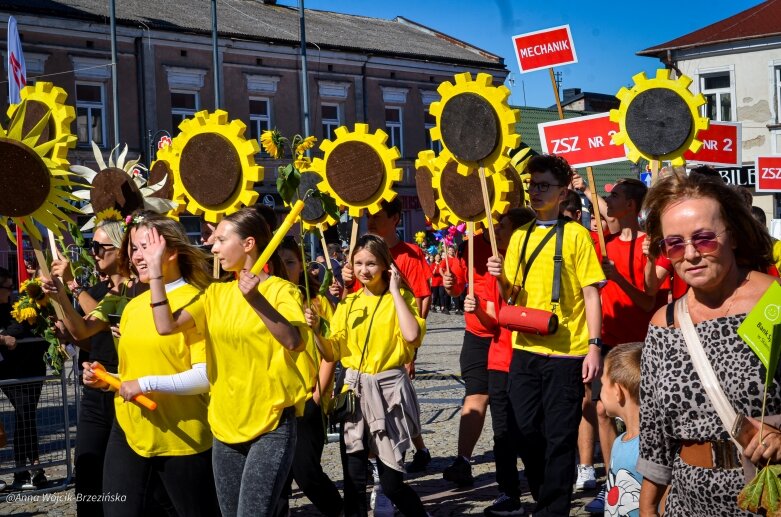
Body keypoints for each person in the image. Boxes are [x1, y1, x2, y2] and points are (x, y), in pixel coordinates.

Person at [148, 207, 308, 516]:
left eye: (221, 239)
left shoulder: (280, 290)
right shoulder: (215, 295)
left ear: (248, 244)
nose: (213, 246)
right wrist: (156, 269)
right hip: (224, 426)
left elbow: (293, 340)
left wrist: (256, 300)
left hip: (271, 424)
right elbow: (165, 324)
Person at [638, 172, 781, 515]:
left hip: (766, 496)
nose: (690, 254)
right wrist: (646, 509)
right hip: (689, 501)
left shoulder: (774, 304)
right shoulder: (663, 323)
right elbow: (654, 437)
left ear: (732, 235)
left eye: (703, 239)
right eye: (674, 243)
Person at [77, 212, 219, 516]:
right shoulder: (133, 307)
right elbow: (133, 373)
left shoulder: (200, 301)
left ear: (172, 251)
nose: (137, 256)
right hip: (128, 430)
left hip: (182, 437)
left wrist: (147, 384)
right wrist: (106, 378)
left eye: (146, 248)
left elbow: (205, 377)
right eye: (134, 249)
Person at [488, 154, 605, 516]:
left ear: (562, 190)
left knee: (560, 433)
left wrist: (594, 347)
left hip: (567, 350)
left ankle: (553, 508)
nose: (535, 192)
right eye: (532, 185)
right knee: (524, 430)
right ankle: (543, 492)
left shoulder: (577, 235)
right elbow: (511, 295)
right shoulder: (520, 235)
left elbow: (591, 293)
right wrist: (498, 275)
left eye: (543, 186)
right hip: (524, 345)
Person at [306, 234, 428, 517]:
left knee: (392, 482)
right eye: (358, 263)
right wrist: (315, 330)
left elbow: (412, 336)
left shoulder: (401, 298)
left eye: (371, 263)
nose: (364, 270)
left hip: (389, 391)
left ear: (386, 265)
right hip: (355, 390)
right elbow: (334, 350)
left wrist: (396, 291)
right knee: (354, 477)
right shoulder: (349, 303)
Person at [44, 218, 140, 516]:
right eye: (91, 246)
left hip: (125, 388)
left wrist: (71, 286)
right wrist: (60, 298)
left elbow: (107, 319)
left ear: (121, 250)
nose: (95, 252)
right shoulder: (99, 291)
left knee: (120, 481)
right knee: (87, 473)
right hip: (95, 391)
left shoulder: (136, 291)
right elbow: (87, 335)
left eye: (101, 246)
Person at [440, 209, 531, 489]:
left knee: (519, 405)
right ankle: (463, 461)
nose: (493, 222)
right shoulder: (471, 243)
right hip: (479, 334)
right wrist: (451, 285)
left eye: (502, 220)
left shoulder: (525, 251)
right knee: (476, 394)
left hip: (513, 336)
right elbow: (457, 288)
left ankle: (532, 463)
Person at [588, 179, 663, 513]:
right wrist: (585, 190)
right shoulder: (602, 243)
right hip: (607, 340)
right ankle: (611, 481)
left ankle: (647, 478)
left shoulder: (653, 245)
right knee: (602, 409)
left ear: (631, 205)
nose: (608, 200)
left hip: (642, 344)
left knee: (643, 415)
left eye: (614, 196)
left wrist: (618, 278)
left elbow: (648, 302)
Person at [344, 198, 432, 472]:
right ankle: (377, 466)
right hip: (366, 350)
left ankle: (412, 452)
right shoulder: (358, 256)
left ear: (395, 219)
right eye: (367, 215)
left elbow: (422, 298)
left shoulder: (409, 253)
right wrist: (344, 284)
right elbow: (353, 303)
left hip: (396, 343)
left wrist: (411, 350)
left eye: (377, 215)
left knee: (397, 407)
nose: (370, 220)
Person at [275, 237, 343, 517]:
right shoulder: (266, 300)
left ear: (301, 266)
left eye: (290, 262)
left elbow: (330, 352)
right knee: (276, 479)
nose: (284, 268)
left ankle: (338, 510)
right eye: (279, 263)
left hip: (307, 399)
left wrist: (318, 395)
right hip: (276, 399)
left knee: (306, 470)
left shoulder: (316, 302)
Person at [0, 268, 48, 491]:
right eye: (8, 287)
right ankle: (32, 467)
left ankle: (24, 470)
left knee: (26, 416)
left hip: (33, 367)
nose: (11, 292)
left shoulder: (20, 304)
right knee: (25, 413)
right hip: (11, 371)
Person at [600, 342, 643, 517]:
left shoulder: (648, 448)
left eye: (602, 384)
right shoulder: (619, 441)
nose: (600, 390)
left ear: (618, 392)